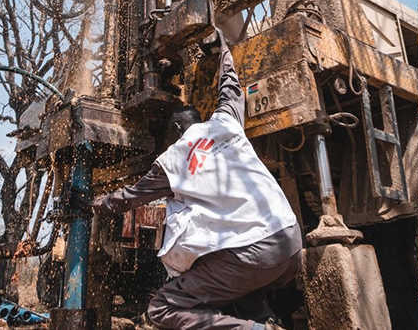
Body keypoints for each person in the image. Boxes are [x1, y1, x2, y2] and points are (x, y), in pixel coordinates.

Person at [94, 29, 299, 330]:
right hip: (290, 244)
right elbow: (230, 84)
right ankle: (262, 318)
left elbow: (127, 198)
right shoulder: (225, 123)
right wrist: (222, 48)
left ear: (175, 130)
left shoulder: (172, 160)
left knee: (162, 309)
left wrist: (95, 204)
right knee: (221, 262)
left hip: (255, 254)